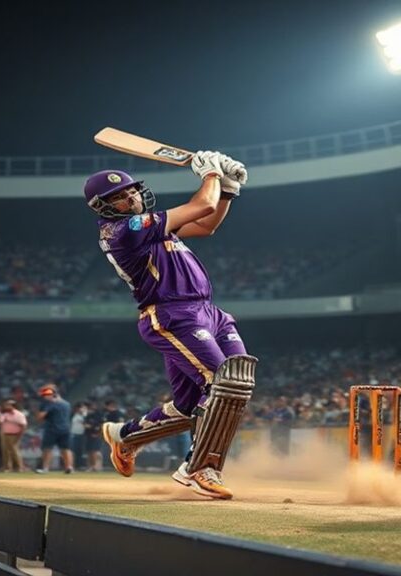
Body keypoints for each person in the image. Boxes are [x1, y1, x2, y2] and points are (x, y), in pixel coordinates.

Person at [84, 151, 257, 500]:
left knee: (196, 401)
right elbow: (200, 207)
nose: (130, 197)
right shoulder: (124, 230)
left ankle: (125, 437)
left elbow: (206, 225)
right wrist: (210, 175)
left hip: (208, 311)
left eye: (132, 191)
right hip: (172, 314)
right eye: (119, 196)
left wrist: (228, 189)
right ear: (103, 207)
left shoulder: (150, 228)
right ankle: (199, 468)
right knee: (224, 382)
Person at [35, 384, 74, 474]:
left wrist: (40, 411)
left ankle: (45, 468)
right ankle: (69, 467)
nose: (44, 397)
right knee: (66, 449)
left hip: (52, 429)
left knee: (47, 449)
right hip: (66, 429)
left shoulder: (49, 404)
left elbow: (40, 417)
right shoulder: (66, 404)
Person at [0, 399, 27, 472]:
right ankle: (7, 467)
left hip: (15, 434)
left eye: (8, 405)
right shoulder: (4, 414)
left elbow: (23, 425)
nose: (6, 406)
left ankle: (19, 467)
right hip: (5, 434)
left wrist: (20, 435)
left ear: (13, 406)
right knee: (5, 451)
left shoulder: (19, 414)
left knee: (14, 450)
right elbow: (0, 422)